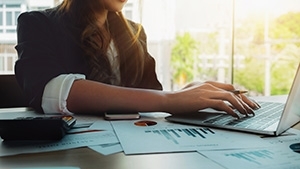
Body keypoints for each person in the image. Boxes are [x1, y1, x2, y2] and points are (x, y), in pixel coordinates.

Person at [15, 0, 260, 118]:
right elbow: (52, 91)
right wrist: (170, 99)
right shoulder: (37, 23)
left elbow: (150, 98)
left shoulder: (134, 32)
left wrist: (192, 93)